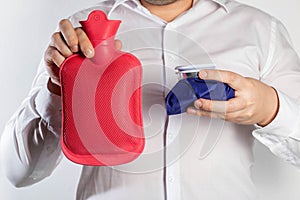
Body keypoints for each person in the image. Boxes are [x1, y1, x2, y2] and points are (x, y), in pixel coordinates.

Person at [1, 0, 300, 199]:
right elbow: (18, 172)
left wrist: (269, 107)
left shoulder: (260, 30)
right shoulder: (78, 34)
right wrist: (57, 88)